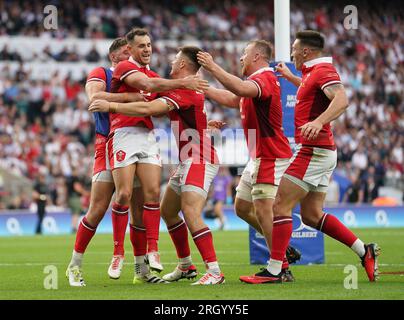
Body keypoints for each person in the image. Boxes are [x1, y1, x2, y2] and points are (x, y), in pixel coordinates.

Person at [245, 30, 380, 283]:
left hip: (314, 151)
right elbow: (311, 90)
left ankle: (276, 270)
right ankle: (365, 250)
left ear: (306, 51)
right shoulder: (310, 74)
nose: (293, 53)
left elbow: (342, 100)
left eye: (295, 49)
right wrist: (291, 78)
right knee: (311, 215)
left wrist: (318, 122)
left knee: (279, 205)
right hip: (322, 151)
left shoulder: (324, 71)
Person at [90, 46, 224, 285]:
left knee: (191, 212)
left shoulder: (183, 91)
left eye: (175, 59)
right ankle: (185, 265)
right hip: (188, 158)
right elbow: (147, 98)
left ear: (183, 65)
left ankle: (214, 271)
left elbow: (149, 108)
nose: (171, 62)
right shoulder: (184, 90)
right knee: (168, 211)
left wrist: (111, 106)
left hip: (199, 158)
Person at [197, 40, 300, 282]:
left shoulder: (263, 78)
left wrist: (213, 67)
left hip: (271, 154)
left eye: (244, 54)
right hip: (257, 156)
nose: (241, 58)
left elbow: (240, 90)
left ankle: (280, 268)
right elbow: (234, 98)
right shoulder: (254, 85)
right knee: (242, 208)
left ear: (256, 56)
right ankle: (281, 251)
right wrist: (205, 89)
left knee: (264, 207)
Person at [66, 37, 154, 287]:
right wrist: (134, 99)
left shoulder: (139, 76)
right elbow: (95, 101)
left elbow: (149, 104)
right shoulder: (101, 72)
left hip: (136, 142)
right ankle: (75, 266)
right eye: (127, 51)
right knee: (97, 209)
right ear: (114, 56)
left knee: (138, 210)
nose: (132, 55)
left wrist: (124, 100)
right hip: (107, 143)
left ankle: (141, 270)